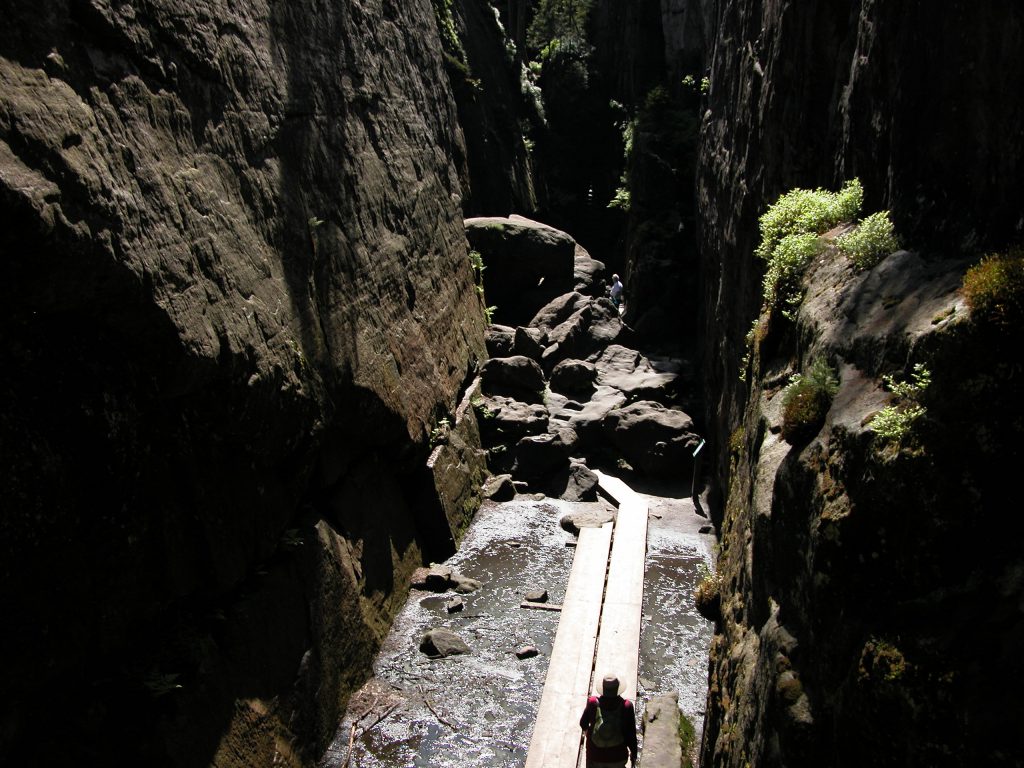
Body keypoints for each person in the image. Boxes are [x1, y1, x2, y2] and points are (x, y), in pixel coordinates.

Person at [579, 674, 638, 768]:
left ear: (603, 688)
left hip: (594, 755)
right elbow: (631, 735)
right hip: (617, 757)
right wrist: (634, 754)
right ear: (618, 688)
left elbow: (583, 723)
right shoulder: (626, 706)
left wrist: (589, 733)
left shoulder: (593, 702)